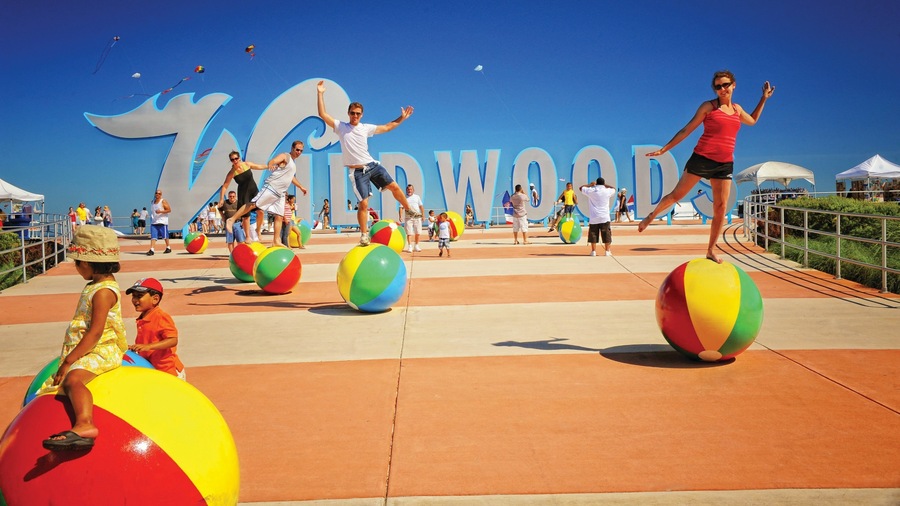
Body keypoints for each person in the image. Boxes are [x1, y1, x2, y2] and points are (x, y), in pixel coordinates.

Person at [640, 70, 775, 263]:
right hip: (701, 159)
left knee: (720, 207)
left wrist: (763, 98)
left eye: (726, 85)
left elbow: (752, 121)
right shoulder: (709, 107)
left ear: (733, 85)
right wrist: (664, 149)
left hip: (724, 164)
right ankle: (651, 216)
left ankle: (711, 250)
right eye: (718, 86)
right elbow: (687, 129)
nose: (722, 89)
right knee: (676, 196)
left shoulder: (737, 110)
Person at [41, 225, 127, 451]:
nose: (76, 268)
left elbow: (96, 332)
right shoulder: (95, 285)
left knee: (72, 380)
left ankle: (85, 424)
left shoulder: (103, 292)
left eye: (77, 263)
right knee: (60, 382)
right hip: (91, 347)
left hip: (102, 349)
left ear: (87, 263)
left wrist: (69, 361)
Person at [316, 80, 419, 245]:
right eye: (352, 113)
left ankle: (409, 210)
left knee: (394, 187)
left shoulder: (365, 128)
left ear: (361, 115)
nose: (355, 116)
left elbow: (387, 127)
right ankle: (364, 234)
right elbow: (323, 114)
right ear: (348, 113)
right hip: (357, 172)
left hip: (372, 165)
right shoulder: (341, 127)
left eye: (358, 113)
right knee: (363, 203)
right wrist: (320, 93)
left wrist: (402, 118)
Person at [224, 141, 309, 248]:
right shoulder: (286, 156)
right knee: (254, 204)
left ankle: (276, 241)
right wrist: (270, 164)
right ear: (292, 148)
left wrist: (301, 187)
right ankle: (231, 220)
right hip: (272, 187)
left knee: (279, 216)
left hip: (281, 192)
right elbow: (273, 161)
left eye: (301, 150)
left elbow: (291, 177)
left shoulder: (293, 164)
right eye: (297, 149)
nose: (299, 152)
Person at [127, 278, 186, 380]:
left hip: (168, 371)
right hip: (154, 369)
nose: (135, 300)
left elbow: (172, 340)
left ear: (155, 299)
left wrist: (148, 346)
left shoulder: (161, 317)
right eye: (133, 296)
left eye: (139, 296)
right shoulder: (143, 317)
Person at [219, 150, 267, 243]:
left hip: (254, 191)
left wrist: (269, 166)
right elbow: (225, 185)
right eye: (232, 160)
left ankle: (258, 230)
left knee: (260, 211)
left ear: (239, 158)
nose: (235, 161)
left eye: (236, 158)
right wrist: (221, 198)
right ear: (231, 161)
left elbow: (259, 166)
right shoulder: (232, 172)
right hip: (243, 193)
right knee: (246, 216)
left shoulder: (247, 164)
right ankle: (248, 237)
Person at [580, 177, 618, 256]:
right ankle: (607, 251)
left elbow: (581, 188)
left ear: (596, 183)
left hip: (594, 217)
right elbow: (613, 189)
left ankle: (593, 251)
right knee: (607, 234)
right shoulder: (607, 191)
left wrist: (590, 185)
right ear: (603, 183)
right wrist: (605, 185)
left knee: (593, 234)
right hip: (604, 217)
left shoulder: (591, 190)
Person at [400, 184, 425, 252]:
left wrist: (423, 215)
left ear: (413, 190)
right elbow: (401, 208)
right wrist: (400, 216)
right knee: (409, 233)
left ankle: (416, 245)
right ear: (406, 190)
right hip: (408, 217)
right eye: (408, 189)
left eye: (411, 189)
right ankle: (410, 246)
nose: (409, 191)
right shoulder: (404, 197)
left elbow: (421, 207)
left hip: (417, 217)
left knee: (418, 232)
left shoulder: (417, 197)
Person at [148, 189, 172, 256]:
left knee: (165, 236)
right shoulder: (152, 202)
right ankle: (152, 249)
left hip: (162, 221)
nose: (157, 194)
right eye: (156, 193)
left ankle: (168, 247)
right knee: (153, 236)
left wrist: (161, 211)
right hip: (154, 222)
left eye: (159, 193)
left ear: (161, 195)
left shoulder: (163, 201)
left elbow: (169, 210)